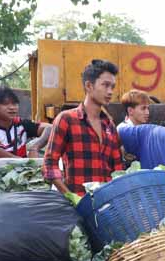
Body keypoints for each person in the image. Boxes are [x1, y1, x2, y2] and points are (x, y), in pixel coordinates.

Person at [44, 59, 124, 196]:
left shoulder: (109, 126)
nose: (110, 92)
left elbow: (117, 168)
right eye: (105, 85)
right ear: (89, 86)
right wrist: (71, 197)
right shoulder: (67, 119)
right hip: (77, 203)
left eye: (112, 87)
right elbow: (49, 164)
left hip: (105, 203)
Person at [0, 85, 50, 179]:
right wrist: (15, 159)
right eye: (6, 104)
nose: (12, 108)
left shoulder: (21, 124)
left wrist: (35, 148)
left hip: (22, 178)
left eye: (15, 103)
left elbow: (50, 128)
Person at [118, 89, 152, 165]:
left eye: (148, 108)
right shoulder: (122, 130)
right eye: (143, 108)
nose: (147, 113)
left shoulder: (141, 128)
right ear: (130, 111)